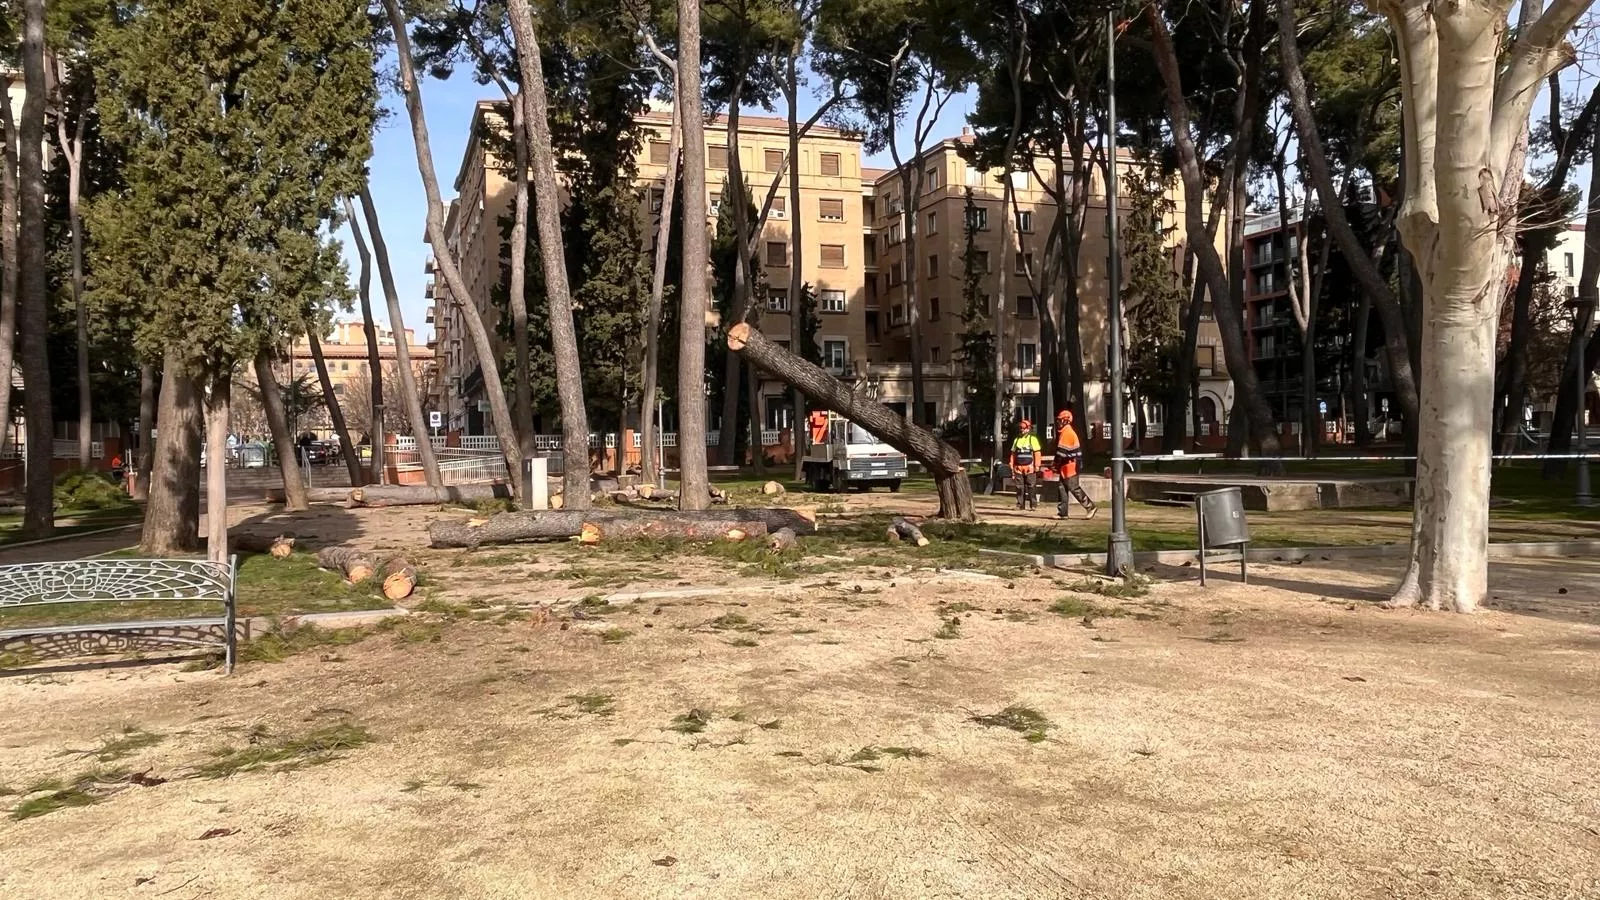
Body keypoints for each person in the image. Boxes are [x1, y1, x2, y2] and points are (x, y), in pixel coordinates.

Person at [1053, 409, 1098, 519]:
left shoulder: (1068, 432)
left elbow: (1061, 452)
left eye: (1060, 420)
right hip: (1066, 465)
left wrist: (1055, 465)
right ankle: (1062, 513)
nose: (1058, 422)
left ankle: (1090, 507)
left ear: (1066, 421)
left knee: (1074, 487)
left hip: (1071, 465)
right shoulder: (1065, 432)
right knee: (1062, 488)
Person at [1009, 419, 1042, 511]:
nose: (1021, 430)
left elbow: (1037, 453)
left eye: (1023, 428)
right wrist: (1011, 464)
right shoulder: (1016, 440)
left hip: (1030, 467)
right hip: (1018, 467)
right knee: (1019, 487)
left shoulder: (1033, 439)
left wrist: (1037, 465)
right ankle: (1020, 505)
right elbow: (1013, 453)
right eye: (1020, 428)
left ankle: (1033, 505)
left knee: (1031, 487)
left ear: (1028, 429)